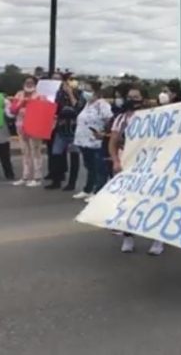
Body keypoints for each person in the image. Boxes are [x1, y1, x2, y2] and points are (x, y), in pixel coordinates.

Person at [110, 86, 164, 256]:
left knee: (152, 201)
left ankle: (157, 239)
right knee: (127, 202)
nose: (132, 100)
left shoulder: (155, 117)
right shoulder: (121, 119)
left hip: (150, 165)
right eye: (130, 96)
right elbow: (113, 142)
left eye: (136, 96)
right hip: (128, 164)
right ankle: (128, 237)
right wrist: (116, 161)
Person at [73, 80, 114, 200]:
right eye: (85, 90)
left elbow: (109, 120)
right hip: (84, 140)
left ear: (96, 92)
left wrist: (104, 133)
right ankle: (88, 189)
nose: (86, 92)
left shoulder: (102, 104)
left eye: (89, 90)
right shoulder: (87, 104)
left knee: (99, 168)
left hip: (96, 141)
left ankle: (98, 191)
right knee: (89, 166)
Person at [45, 74, 85, 191]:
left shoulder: (80, 94)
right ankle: (56, 180)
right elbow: (56, 109)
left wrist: (70, 94)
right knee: (56, 153)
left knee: (74, 156)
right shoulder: (59, 94)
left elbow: (78, 107)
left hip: (74, 129)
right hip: (61, 128)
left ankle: (71, 183)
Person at [11, 76, 44, 187]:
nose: (29, 84)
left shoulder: (40, 95)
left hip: (34, 126)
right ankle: (25, 176)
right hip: (21, 126)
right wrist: (21, 103)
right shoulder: (19, 94)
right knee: (25, 152)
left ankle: (37, 177)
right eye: (27, 82)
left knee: (35, 151)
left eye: (31, 82)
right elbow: (13, 110)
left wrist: (30, 103)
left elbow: (43, 111)